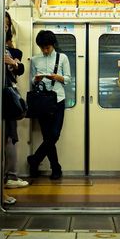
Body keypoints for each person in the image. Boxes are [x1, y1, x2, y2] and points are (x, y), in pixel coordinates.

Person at [27, 30, 71, 180]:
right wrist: (36, 80)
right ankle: (56, 168)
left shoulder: (62, 57)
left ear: (53, 45)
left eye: (48, 47)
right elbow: (32, 81)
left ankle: (35, 159)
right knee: (47, 136)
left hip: (58, 99)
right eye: (42, 48)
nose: (45, 50)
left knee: (54, 135)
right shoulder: (34, 60)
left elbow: (68, 79)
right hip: (42, 102)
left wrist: (56, 77)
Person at [4, 11, 29, 191]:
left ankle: (11, 175)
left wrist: (13, 63)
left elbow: (20, 69)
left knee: (11, 136)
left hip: (8, 96)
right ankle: (8, 176)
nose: (4, 27)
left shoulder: (13, 51)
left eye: (6, 25)